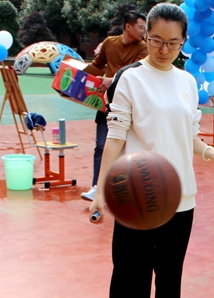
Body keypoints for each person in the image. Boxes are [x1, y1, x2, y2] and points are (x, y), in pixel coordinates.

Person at [89, 3, 214, 298]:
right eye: (156, 40)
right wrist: (101, 191)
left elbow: (189, 139)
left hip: (181, 198)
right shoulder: (131, 79)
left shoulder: (187, 82)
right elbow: (115, 139)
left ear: (184, 42)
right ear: (146, 36)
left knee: (169, 277)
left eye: (173, 43)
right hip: (138, 197)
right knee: (131, 279)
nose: (163, 49)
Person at [81, 10, 148, 202]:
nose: (143, 31)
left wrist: (112, 79)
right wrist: (77, 77)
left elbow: (137, 72)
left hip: (131, 106)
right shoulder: (110, 43)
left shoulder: (143, 48)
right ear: (128, 26)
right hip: (107, 104)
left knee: (130, 149)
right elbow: (96, 66)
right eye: (141, 27)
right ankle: (97, 187)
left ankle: (127, 189)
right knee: (101, 145)